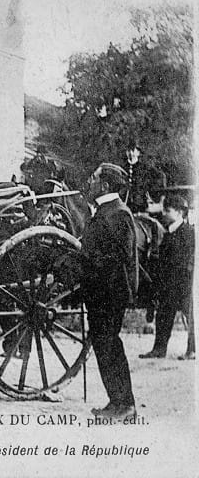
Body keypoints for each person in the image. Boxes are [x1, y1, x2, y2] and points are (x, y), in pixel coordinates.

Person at [79, 163, 138, 420]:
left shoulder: (117, 214)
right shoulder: (106, 211)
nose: (89, 182)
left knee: (110, 345)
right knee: (104, 345)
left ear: (104, 186)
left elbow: (117, 259)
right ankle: (117, 402)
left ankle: (125, 405)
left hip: (110, 292)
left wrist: (83, 262)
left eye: (93, 178)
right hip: (101, 291)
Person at [140, 193, 195, 360]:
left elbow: (186, 260)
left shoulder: (189, 232)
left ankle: (192, 349)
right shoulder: (169, 233)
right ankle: (159, 349)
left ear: (179, 213)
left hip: (184, 283)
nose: (163, 213)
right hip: (169, 284)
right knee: (163, 315)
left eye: (168, 210)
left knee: (191, 317)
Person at [122, 142, 166, 214]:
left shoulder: (145, 168)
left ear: (138, 153)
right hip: (125, 203)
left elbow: (161, 175)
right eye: (128, 150)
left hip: (140, 204)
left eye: (133, 150)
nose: (130, 153)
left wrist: (157, 198)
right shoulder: (122, 167)